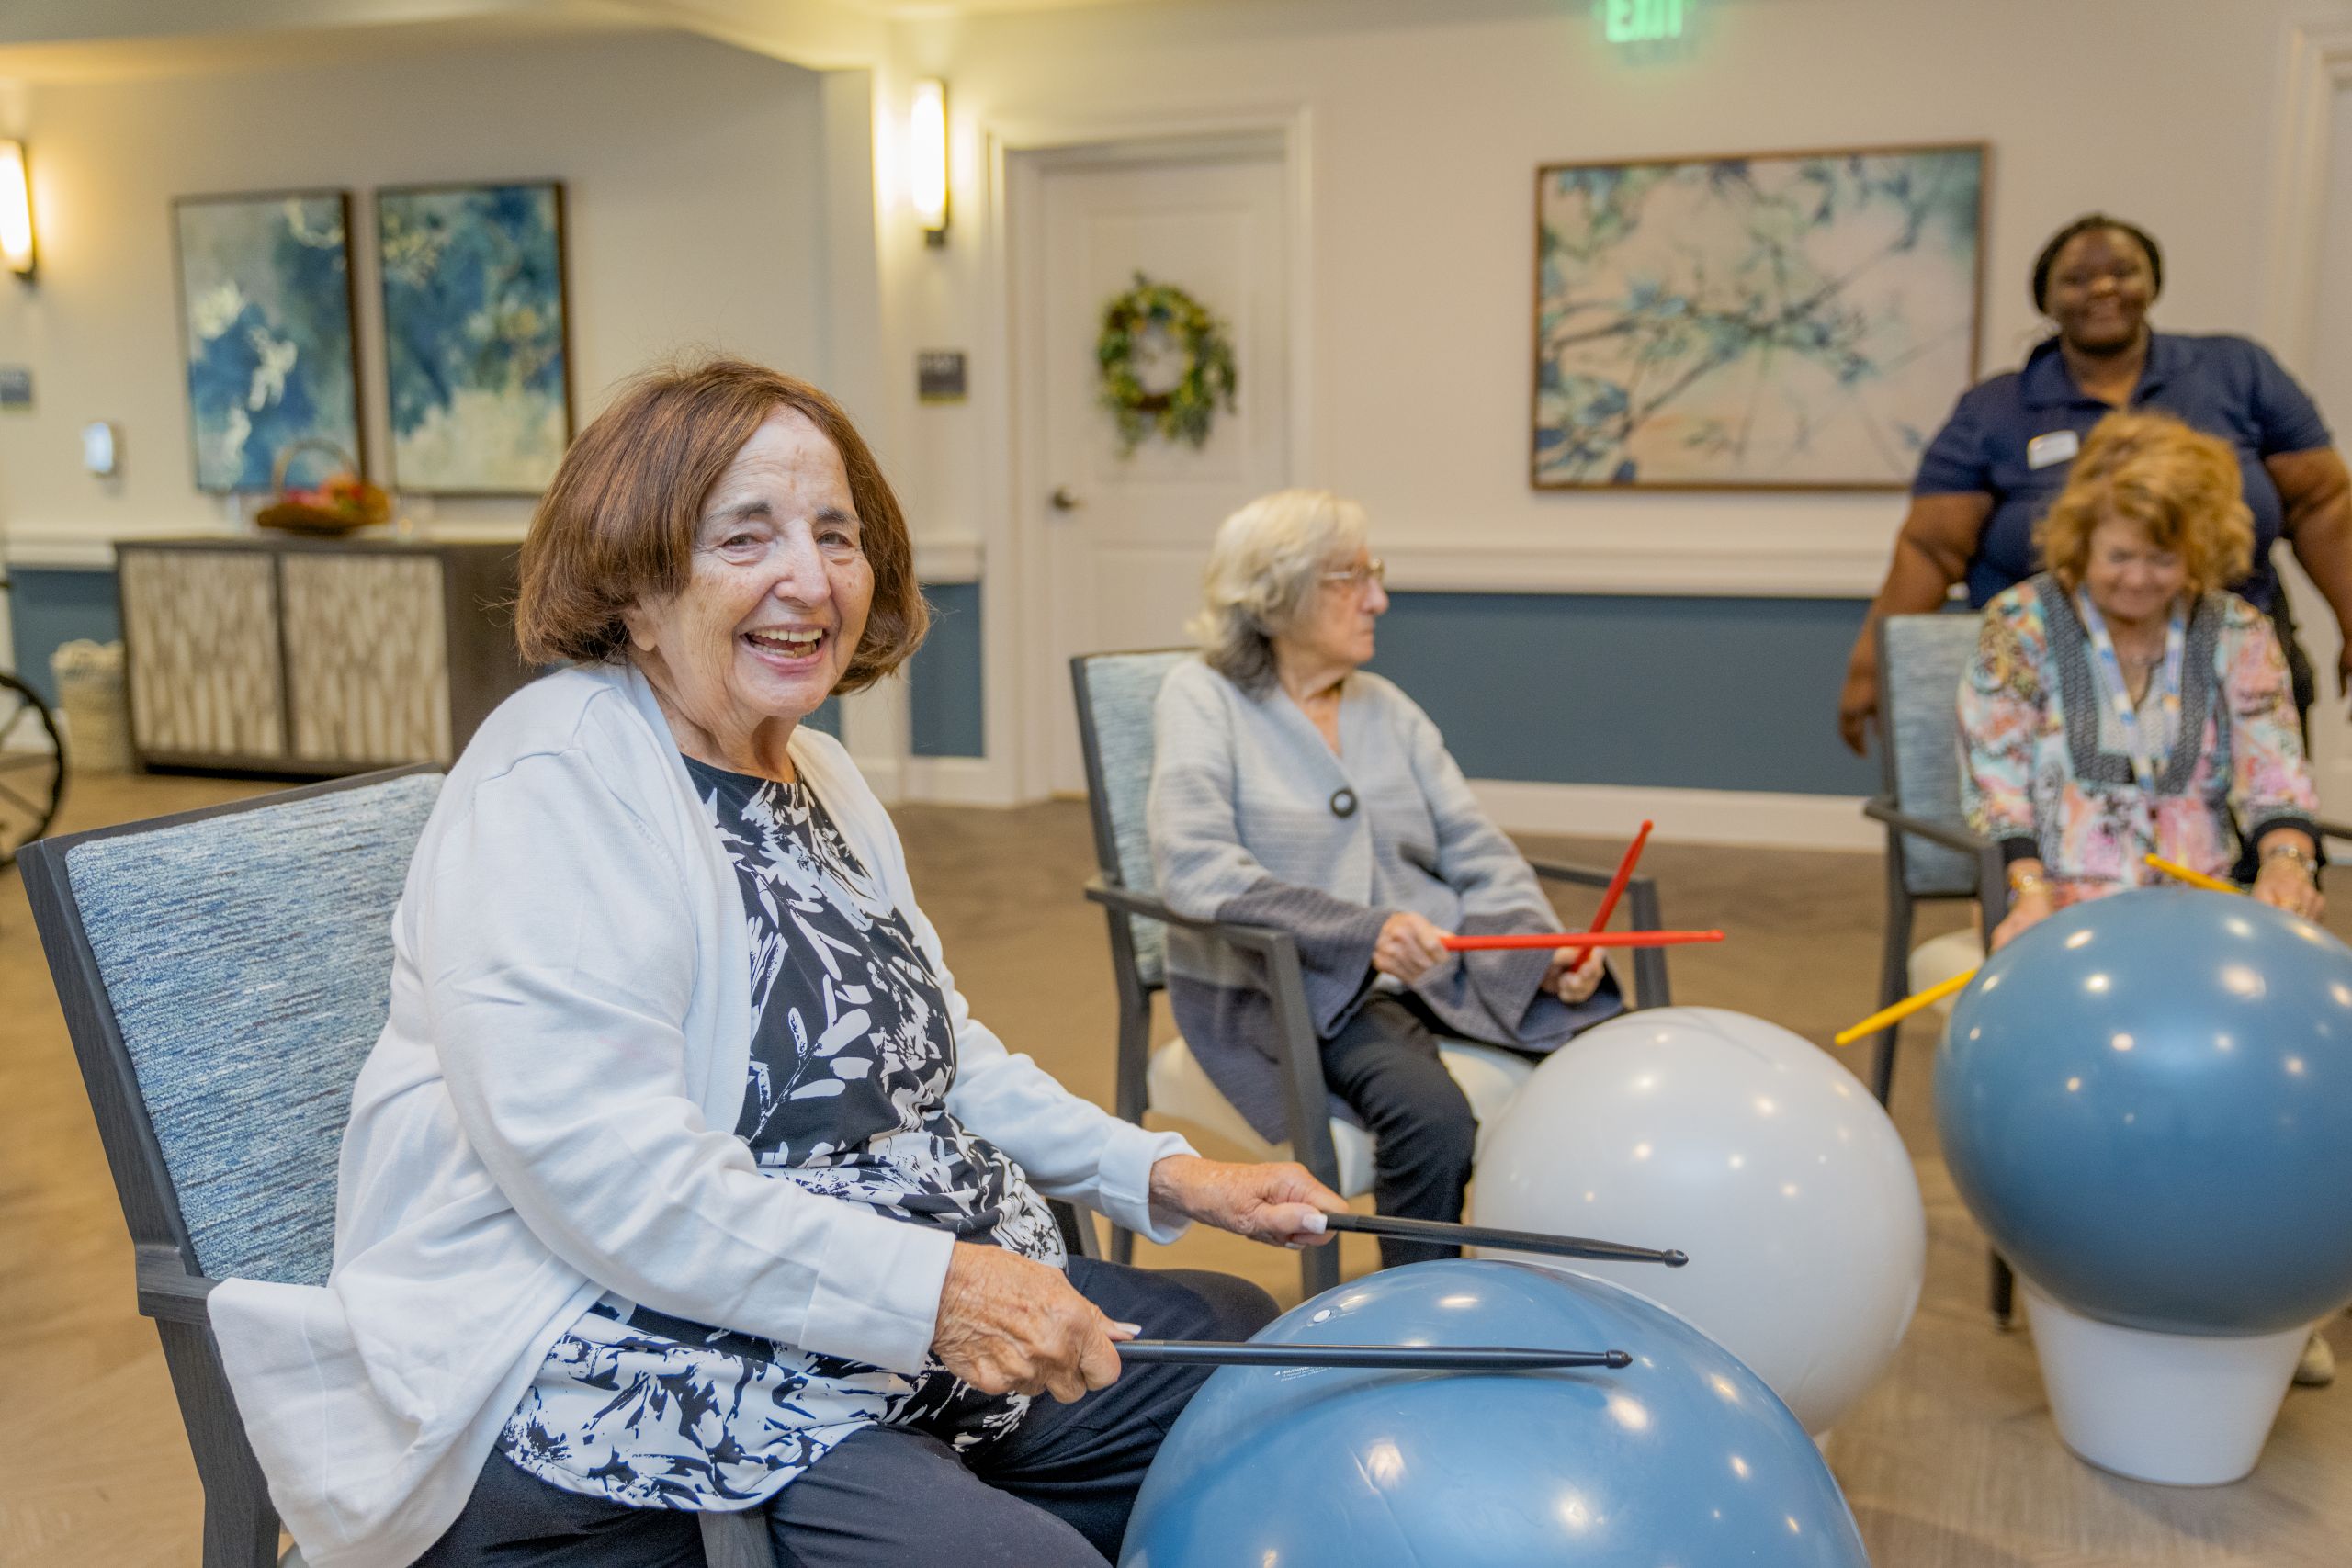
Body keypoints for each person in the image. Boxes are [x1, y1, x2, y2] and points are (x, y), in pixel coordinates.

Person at [206, 359, 1350, 1568]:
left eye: (835, 534)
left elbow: (939, 1056)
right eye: (744, 537)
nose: (810, 577)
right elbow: (615, 1182)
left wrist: (1167, 1173)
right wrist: (939, 1290)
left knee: (1243, 1356)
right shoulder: (553, 784)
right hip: (609, 1341)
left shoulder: (821, 775)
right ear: (634, 583)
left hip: (839, 1311)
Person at [1148, 489, 1624, 1270]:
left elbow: (1475, 847)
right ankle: (1415, 1322)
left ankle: (1572, 1286)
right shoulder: (1203, 698)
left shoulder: (1388, 708)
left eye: (1376, 574)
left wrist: (1541, 950)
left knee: (1617, 1050)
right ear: (1274, 593)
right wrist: (1365, 933)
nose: (1379, 599)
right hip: (1296, 988)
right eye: (1353, 577)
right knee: (1432, 1122)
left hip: (1434, 967)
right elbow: (1197, 868)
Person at [1959, 411, 2335, 1390]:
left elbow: (2277, 779)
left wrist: (2287, 863)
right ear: (2081, 537)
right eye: (2119, 555)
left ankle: (2273, 1286)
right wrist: (2026, 891)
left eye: (2162, 560)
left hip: (2206, 917)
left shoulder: (2240, 633)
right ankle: (2088, 1269)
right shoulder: (2018, 627)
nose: (2136, 579)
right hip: (2059, 911)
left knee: (2254, 1087)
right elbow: (1996, 787)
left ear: (2198, 551)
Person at [1841, 212, 2352, 754]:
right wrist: (1870, 666)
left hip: (2236, 671)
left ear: (2153, 282)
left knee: (2263, 802)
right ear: (2045, 299)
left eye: (2122, 272)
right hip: (2050, 687)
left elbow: (2322, 505)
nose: (2103, 288)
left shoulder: (2237, 371)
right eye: (2077, 279)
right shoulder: (1994, 409)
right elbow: (1930, 548)